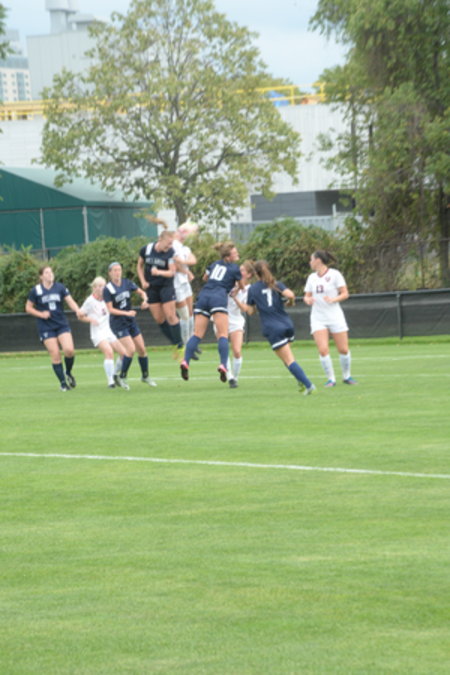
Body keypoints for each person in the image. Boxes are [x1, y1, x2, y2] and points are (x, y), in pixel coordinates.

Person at [232, 260, 316, 395]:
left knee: (289, 360)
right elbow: (290, 295)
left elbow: (250, 311)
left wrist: (237, 300)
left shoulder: (253, 289)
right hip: (287, 324)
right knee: (287, 358)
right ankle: (300, 381)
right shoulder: (276, 284)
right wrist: (290, 302)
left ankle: (308, 385)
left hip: (272, 328)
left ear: (255, 273)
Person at [180, 241, 243, 383]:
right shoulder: (234, 268)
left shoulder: (214, 264)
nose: (237, 254)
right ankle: (223, 365)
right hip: (218, 297)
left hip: (204, 295)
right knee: (223, 335)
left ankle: (185, 361)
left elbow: (205, 278)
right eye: (235, 252)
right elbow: (241, 285)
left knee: (197, 334)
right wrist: (236, 288)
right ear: (228, 256)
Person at [303, 250, 356, 386]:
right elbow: (306, 296)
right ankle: (331, 379)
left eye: (311, 259)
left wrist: (333, 299)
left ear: (318, 260)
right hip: (318, 317)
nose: (310, 262)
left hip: (335, 316)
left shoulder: (335, 274)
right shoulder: (311, 278)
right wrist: (308, 300)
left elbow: (345, 293)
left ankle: (347, 376)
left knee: (343, 349)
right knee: (323, 350)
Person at [25, 265, 80, 392]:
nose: (50, 274)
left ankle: (68, 372)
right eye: (46, 272)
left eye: (51, 272)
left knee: (69, 350)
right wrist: (41, 314)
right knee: (55, 354)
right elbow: (28, 308)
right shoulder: (36, 290)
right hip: (46, 327)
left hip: (61, 324)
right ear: (41, 276)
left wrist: (78, 310)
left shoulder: (60, 287)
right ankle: (63, 384)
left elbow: (70, 301)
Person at [103, 262, 156, 390]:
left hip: (130, 321)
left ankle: (145, 376)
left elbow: (142, 292)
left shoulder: (127, 283)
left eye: (119, 270)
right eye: (115, 270)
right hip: (118, 323)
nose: (117, 273)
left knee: (142, 349)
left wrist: (145, 300)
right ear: (110, 273)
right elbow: (110, 309)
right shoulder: (108, 289)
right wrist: (126, 313)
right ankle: (122, 377)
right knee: (130, 350)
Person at [137, 229, 184, 360]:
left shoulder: (170, 252)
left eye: (171, 243)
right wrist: (143, 281)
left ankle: (180, 346)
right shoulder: (146, 249)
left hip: (166, 286)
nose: (170, 246)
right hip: (152, 288)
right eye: (168, 243)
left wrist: (159, 272)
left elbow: (172, 272)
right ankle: (175, 343)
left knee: (171, 316)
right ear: (160, 239)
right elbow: (139, 266)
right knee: (159, 319)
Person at [77, 276, 130, 388]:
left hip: (108, 331)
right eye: (100, 286)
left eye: (104, 286)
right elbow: (80, 315)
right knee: (109, 352)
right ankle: (110, 382)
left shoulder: (107, 299)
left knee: (124, 353)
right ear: (94, 288)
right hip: (98, 333)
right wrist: (90, 319)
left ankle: (114, 374)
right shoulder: (90, 301)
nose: (102, 288)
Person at [222, 259, 254, 388]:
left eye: (242, 270)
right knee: (224, 349)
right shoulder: (230, 282)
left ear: (249, 275)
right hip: (222, 317)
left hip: (236, 320)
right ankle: (230, 378)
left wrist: (235, 297)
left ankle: (235, 377)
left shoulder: (250, 289)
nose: (239, 272)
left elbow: (245, 309)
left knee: (236, 350)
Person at [171, 220, 199, 352]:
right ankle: (185, 344)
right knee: (185, 315)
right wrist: (186, 271)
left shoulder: (184, 248)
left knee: (191, 313)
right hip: (176, 283)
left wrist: (183, 261)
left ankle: (191, 342)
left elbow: (193, 260)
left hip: (185, 282)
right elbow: (175, 265)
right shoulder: (173, 245)